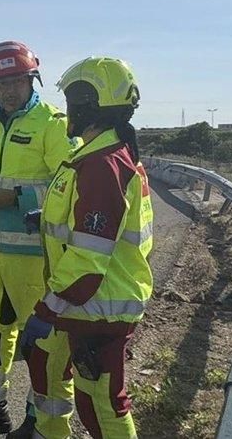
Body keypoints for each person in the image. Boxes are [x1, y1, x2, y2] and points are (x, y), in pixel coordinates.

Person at [18, 57, 153, 439]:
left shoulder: (102, 164)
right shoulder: (99, 156)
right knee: (45, 362)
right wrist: (46, 218)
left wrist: (47, 309)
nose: (65, 112)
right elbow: (94, 220)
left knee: (101, 402)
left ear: (86, 104)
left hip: (96, 305)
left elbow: (89, 256)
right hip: (81, 302)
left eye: (70, 103)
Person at [0, 42, 78, 436]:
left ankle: (37, 417)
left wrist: (19, 198)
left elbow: (73, 184)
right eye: (2, 82)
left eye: (17, 81)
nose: (9, 90)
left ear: (33, 81)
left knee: (40, 343)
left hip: (33, 255)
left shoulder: (52, 124)